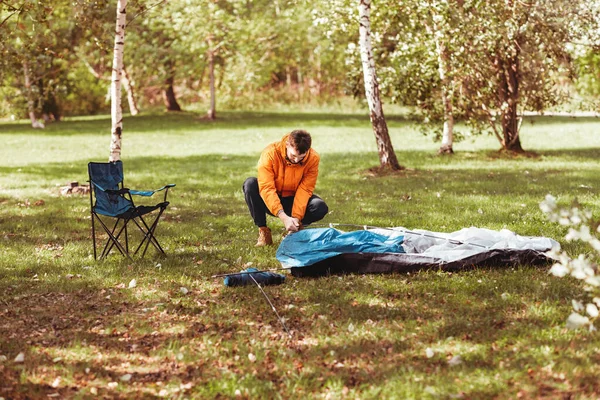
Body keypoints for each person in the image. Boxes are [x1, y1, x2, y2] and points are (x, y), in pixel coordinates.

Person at [243, 129, 329, 246]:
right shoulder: (270, 153)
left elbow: (305, 190)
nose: (297, 160)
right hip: (271, 199)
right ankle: (264, 232)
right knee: (250, 184)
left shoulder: (313, 158)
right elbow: (266, 188)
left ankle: (295, 231)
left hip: (293, 200)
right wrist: (283, 216)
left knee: (319, 207)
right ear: (287, 145)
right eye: (293, 156)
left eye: (301, 157)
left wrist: (296, 218)